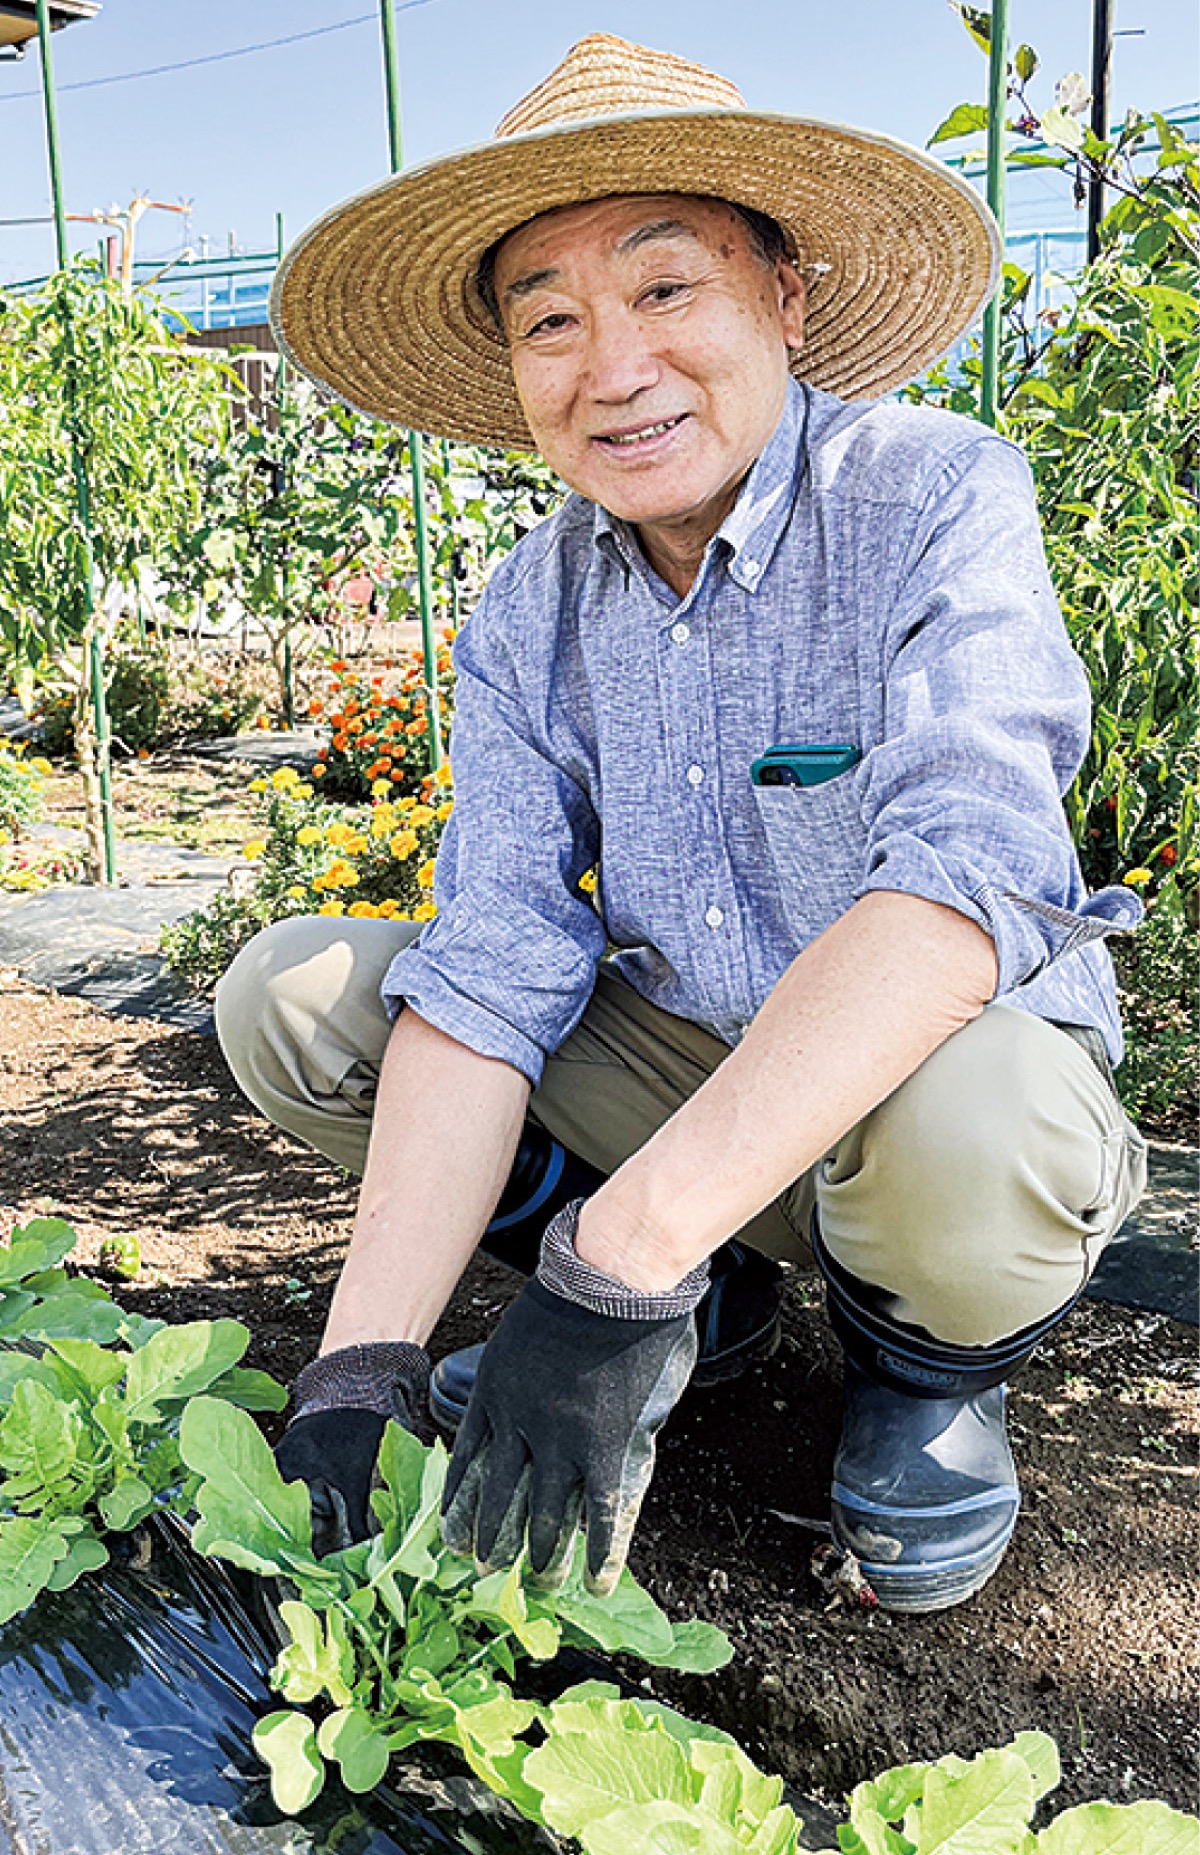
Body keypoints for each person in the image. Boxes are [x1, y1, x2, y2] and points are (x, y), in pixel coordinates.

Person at [216, 34, 1147, 1614]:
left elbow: (972, 871)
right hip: (679, 1072)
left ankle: (920, 1379)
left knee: (984, 1122)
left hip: (916, 1098)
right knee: (295, 1001)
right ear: (514, 372)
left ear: (783, 300)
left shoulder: (933, 496)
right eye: (552, 320)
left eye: (667, 290)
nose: (614, 366)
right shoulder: (531, 603)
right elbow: (499, 946)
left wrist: (612, 1248)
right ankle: (705, 1310)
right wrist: (355, 1371)